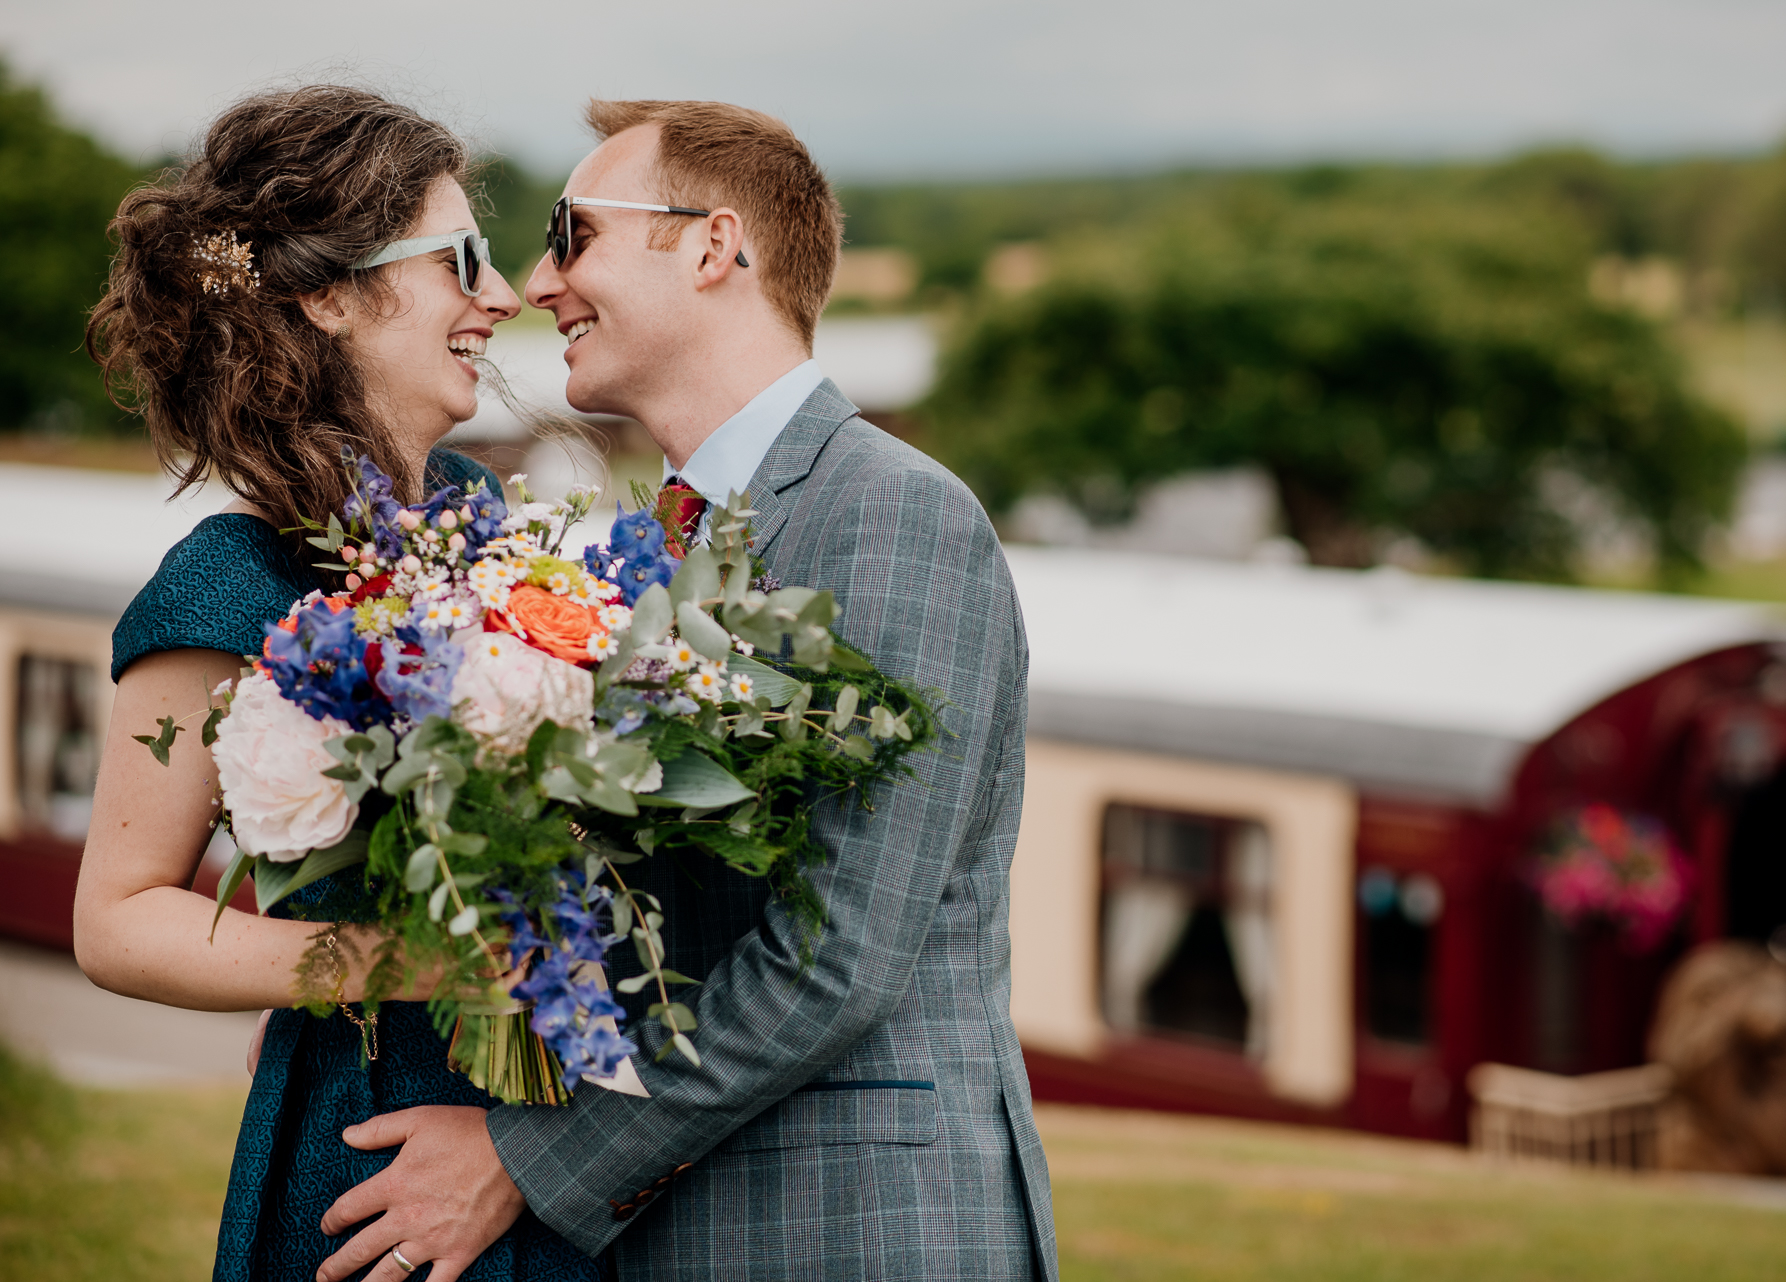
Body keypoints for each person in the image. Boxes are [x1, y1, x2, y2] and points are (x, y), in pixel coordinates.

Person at [314, 100, 1060, 1281]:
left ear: (712, 247)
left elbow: (841, 952)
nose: (538, 281)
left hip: (853, 1225)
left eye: (572, 233)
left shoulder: (891, 511)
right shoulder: (644, 543)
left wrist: (524, 1159)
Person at [76, 86, 600, 1282]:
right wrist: (406, 960)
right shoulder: (232, 578)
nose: (503, 295)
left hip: (548, 1137)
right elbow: (116, 921)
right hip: (375, 1153)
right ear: (328, 294)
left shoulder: (478, 514)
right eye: (461, 257)